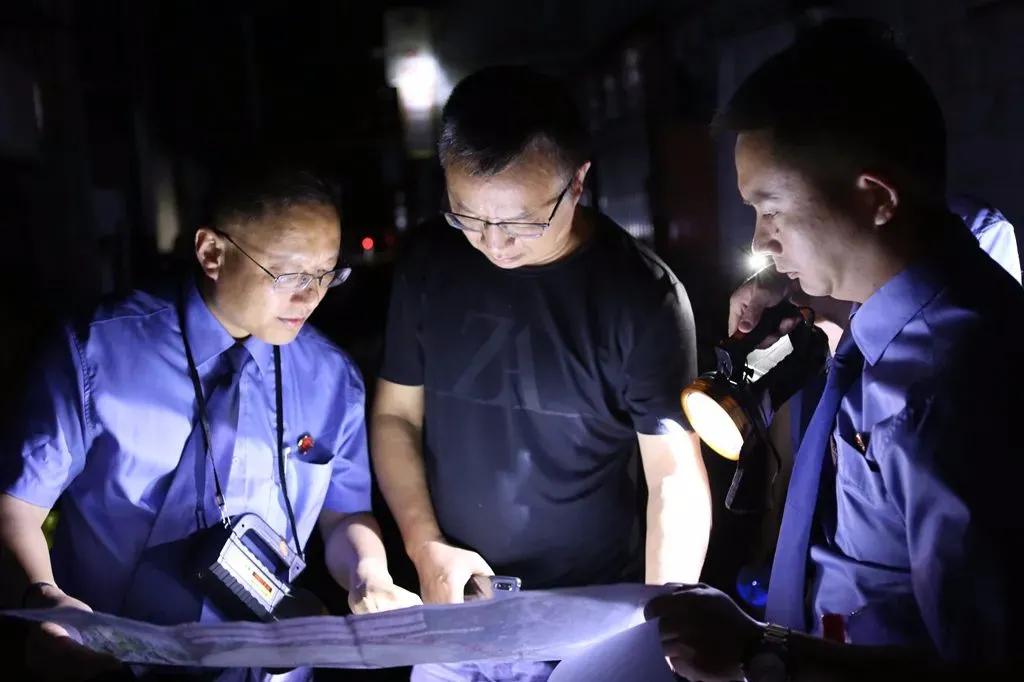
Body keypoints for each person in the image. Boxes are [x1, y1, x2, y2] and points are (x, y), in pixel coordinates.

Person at [650, 19, 1024, 681]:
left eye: (771, 210)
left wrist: (758, 651)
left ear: (876, 198)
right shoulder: (890, 313)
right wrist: (811, 283)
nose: (760, 242)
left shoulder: (942, 393)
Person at [0, 166, 420, 682]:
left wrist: (369, 575)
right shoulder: (96, 352)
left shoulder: (331, 378)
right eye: (288, 275)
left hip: (271, 668)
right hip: (106, 661)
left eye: (326, 274)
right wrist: (44, 601)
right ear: (212, 253)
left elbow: (345, 515)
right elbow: (17, 505)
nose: (310, 297)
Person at [372, 66, 712, 682]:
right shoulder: (430, 263)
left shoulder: (641, 298)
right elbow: (396, 416)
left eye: (522, 221)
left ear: (578, 181)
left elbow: (673, 477)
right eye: (468, 217)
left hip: (589, 618)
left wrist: (659, 623)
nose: (494, 243)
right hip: (458, 605)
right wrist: (424, 547)